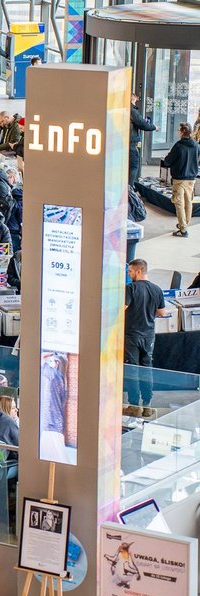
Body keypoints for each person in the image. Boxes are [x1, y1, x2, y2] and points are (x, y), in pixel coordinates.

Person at [123, 259, 166, 418]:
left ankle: (134, 406)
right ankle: (148, 405)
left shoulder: (131, 288)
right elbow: (162, 312)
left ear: (139, 271)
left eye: (131, 272)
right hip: (149, 336)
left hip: (131, 336)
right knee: (147, 369)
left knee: (132, 369)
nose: (129, 274)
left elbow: (123, 308)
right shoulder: (157, 289)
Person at [162, 123, 199, 237]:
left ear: (182, 132)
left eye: (179, 130)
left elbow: (167, 161)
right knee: (189, 202)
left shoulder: (178, 146)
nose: (178, 131)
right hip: (191, 179)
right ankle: (185, 224)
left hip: (179, 179)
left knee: (179, 203)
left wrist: (168, 158)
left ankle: (183, 230)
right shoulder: (196, 145)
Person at [129, 93, 157, 185]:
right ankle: (130, 190)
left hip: (124, 142)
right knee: (133, 166)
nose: (137, 99)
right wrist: (154, 127)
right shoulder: (131, 110)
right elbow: (142, 124)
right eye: (136, 97)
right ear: (131, 98)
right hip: (131, 143)